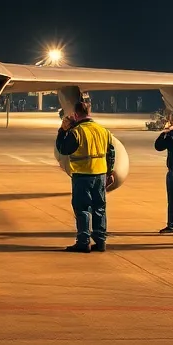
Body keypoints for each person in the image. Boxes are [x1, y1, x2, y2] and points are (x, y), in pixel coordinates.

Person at [56, 100, 116, 252]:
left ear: (76, 115)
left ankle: (83, 241)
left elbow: (63, 149)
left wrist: (63, 130)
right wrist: (110, 172)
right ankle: (101, 241)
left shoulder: (77, 132)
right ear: (89, 112)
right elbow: (111, 153)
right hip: (100, 174)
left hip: (83, 175)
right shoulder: (103, 130)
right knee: (99, 208)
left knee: (82, 209)